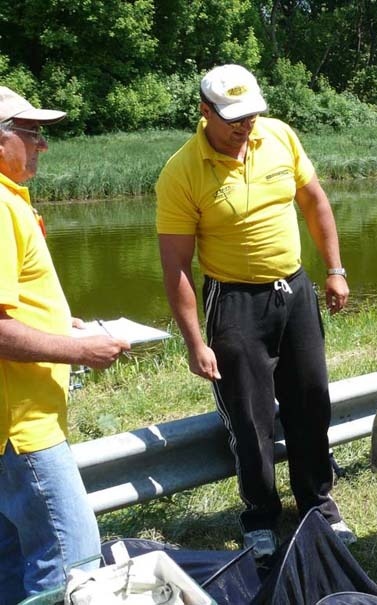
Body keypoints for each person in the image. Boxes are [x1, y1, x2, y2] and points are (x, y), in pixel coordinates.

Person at [156, 64, 355, 558]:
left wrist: (335, 268)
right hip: (234, 301)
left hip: (295, 290)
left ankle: (317, 505)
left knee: (311, 399)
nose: (246, 126)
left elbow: (315, 203)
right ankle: (260, 516)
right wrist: (194, 342)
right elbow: (177, 266)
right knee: (251, 415)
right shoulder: (182, 171)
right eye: (234, 118)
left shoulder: (279, 137)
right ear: (205, 113)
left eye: (252, 115)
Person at [0, 87, 130, 603]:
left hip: (12, 427)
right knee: (71, 565)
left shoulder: (11, 200)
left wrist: (59, 321)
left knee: (14, 564)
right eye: (30, 133)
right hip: (25, 430)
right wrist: (83, 351)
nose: (42, 146)